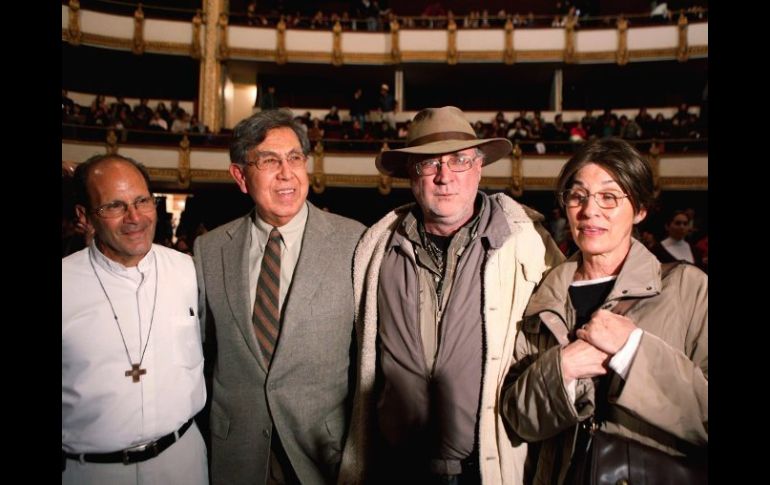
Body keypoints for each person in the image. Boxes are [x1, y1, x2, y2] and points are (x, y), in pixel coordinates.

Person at [338, 106, 564, 485]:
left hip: (483, 468)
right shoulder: (377, 248)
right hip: (394, 469)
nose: (445, 177)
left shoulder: (527, 243)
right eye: (429, 164)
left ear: (479, 167)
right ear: (412, 175)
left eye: (459, 161)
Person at [501, 138, 708, 484]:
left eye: (609, 197)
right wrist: (562, 369)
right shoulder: (542, 297)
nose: (589, 211)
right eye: (577, 196)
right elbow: (517, 419)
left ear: (640, 209)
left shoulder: (689, 288)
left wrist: (633, 351)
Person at [193, 109, 366, 485]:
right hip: (237, 453)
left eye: (295, 159)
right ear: (240, 176)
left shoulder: (354, 242)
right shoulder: (208, 251)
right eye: (269, 161)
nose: (286, 173)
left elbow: (368, 358)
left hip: (322, 453)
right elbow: (204, 354)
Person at [62, 154, 208, 484]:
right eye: (114, 206)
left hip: (183, 461)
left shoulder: (189, 271)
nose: (134, 218)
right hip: (90, 472)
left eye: (142, 201)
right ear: (85, 216)